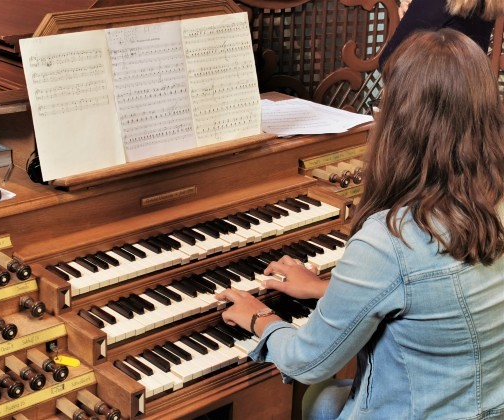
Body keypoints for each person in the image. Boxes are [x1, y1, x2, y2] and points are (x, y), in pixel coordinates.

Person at [216, 28, 504, 419]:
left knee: (320, 400)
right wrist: (324, 288)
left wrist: (260, 317)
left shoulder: (390, 239)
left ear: (400, 124)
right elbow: (434, 293)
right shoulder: (491, 200)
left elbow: (307, 363)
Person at [379, 0, 504, 68]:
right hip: (466, 101)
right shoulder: (488, 4)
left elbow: (389, 62)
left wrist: (411, 15)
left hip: (425, 101)